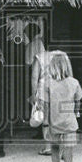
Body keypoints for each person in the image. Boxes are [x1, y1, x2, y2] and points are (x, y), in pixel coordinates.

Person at [38, 50, 82, 162]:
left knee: (55, 151)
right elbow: (78, 102)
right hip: (69, 124)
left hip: (53, 124)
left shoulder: (47, 84)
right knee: (69, 157)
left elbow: (45, 105)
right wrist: (75, 112)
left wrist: (45, 123)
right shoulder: (74, 82)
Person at [23, 21, 52, 155]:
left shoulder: (34, 44)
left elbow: (31, 65)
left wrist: (34, 92)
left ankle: (47, 145)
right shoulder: (36, 44)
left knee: (40, 111)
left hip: (39, 80)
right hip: (50, 85)